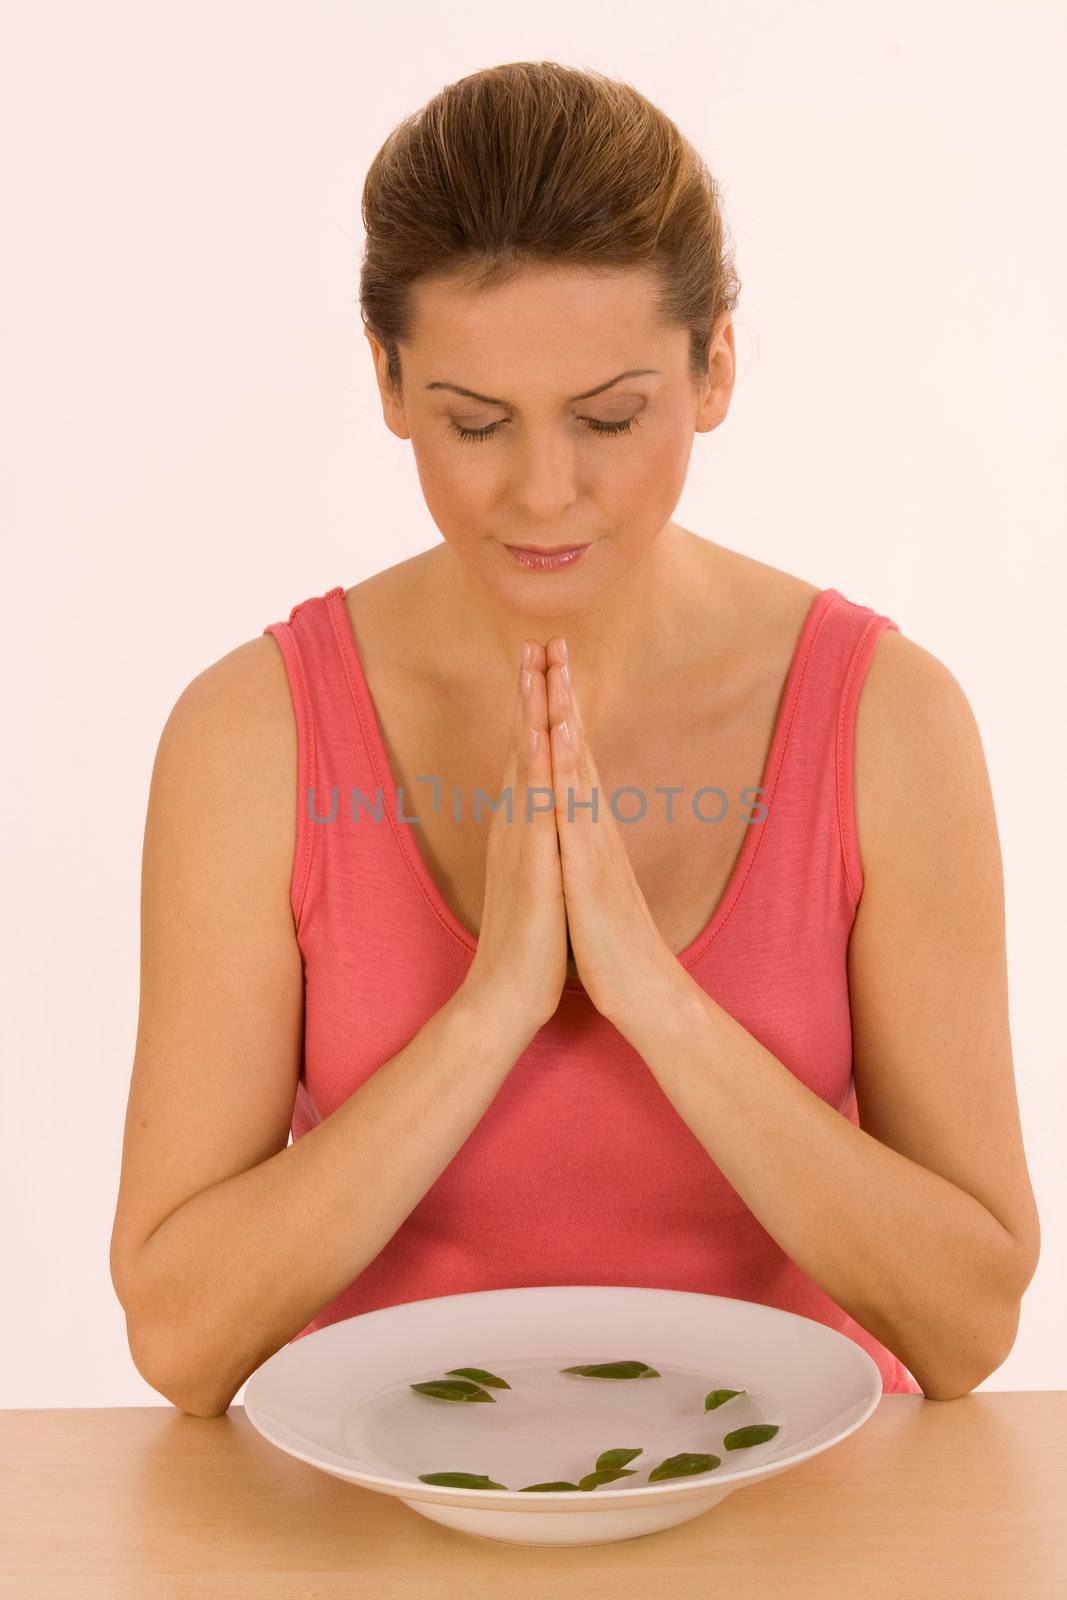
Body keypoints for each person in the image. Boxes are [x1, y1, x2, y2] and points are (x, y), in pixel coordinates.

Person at [109, 61, 1041, 1417]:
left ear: (715, 364)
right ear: (385, 380)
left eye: (609, 418)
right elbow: (182, 1343)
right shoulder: (249, 739)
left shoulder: (887, 720)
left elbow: (967, 1323)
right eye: (473, 423)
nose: (544, 492)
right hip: (387, 1536)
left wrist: (651, 992)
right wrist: (488, 1009)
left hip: (809, 1531)